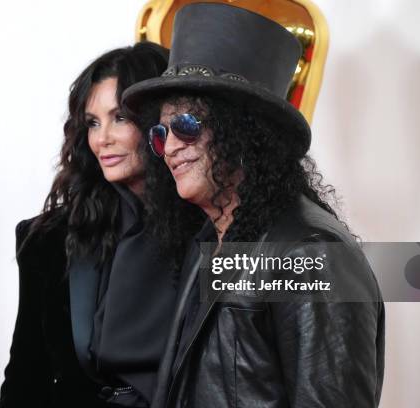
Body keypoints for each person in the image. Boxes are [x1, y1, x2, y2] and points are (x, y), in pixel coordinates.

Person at [123, 4, 385, 408]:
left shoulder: (312, 254)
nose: (170, 147)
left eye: (186, 126)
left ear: (243, 131)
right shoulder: (213, 238)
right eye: (160, 133)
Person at [0, 42, 203, 407]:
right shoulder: (48, 240)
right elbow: (26, 379)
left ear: (161, 120)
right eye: (92, 123)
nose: (101, 138)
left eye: (120, 117)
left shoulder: (214, 230)